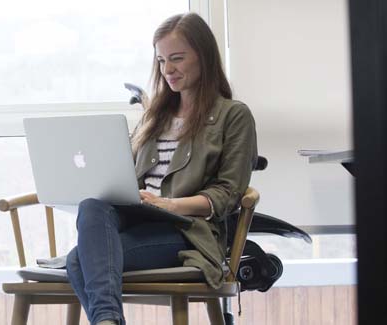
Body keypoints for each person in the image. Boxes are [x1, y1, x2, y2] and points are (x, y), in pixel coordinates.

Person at [65, 12, 258, 325]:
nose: (168, 69)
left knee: (78, 261)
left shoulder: (233, 116)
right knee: (92, 206)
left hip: (184, 230)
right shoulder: (154, 116)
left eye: (177, 58)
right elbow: (122, 177)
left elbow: (227, 194)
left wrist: (169, 204)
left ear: (204, 57)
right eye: (161, 60)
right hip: (135, 220)